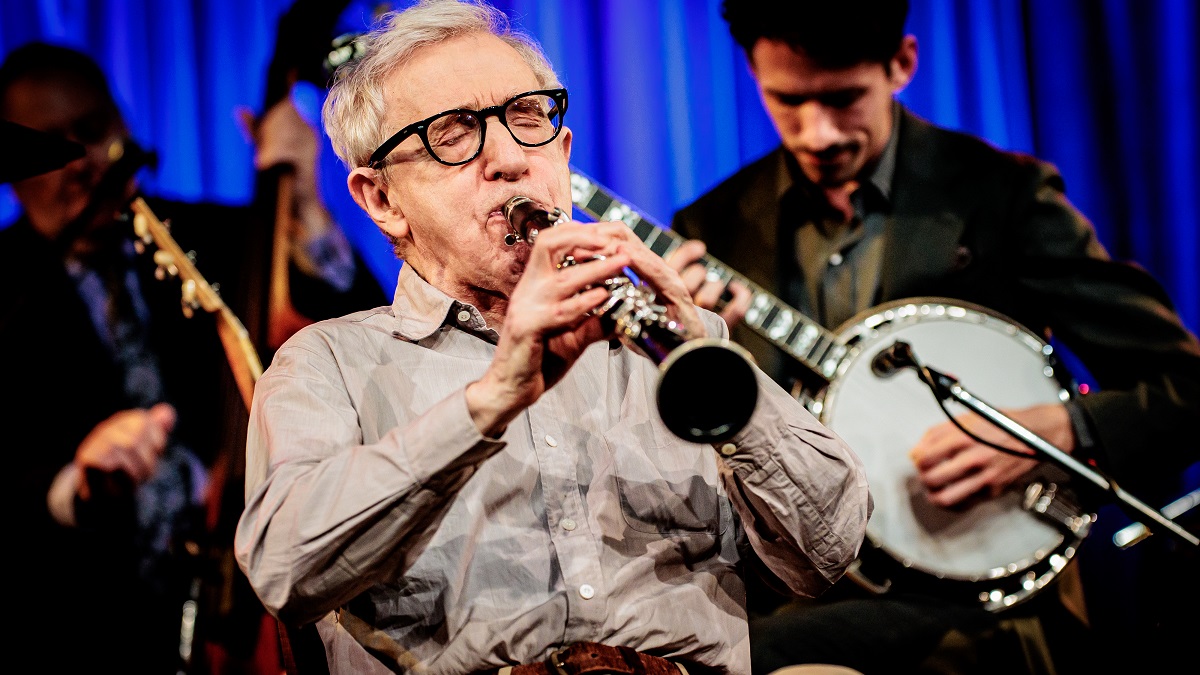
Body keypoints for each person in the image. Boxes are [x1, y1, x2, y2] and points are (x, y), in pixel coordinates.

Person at [232, 1, 872, 674]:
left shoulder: (670, 341)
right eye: (453, 134)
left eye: (528, 120)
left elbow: (828, 550)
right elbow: (284, 571)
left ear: (562, 156)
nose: (509, 159)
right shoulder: (327, 363)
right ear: (382, 200)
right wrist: (491, 400)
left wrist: (718, 376)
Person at [668, 1, 1200, 674]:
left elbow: (1186, 391)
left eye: (843, 99)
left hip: (981, 604)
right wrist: (692, 351)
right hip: (792, 592)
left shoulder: (1002, 196)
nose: (818, 132)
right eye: (787, 101)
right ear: (752, 71)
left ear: (902, 64)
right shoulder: (713, 225)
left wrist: (1051, 432)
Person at [0, 41, 385, 674]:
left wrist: (307, 212)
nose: (79, 164)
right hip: (87, 622)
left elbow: (365, 339)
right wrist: (74, 481)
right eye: (49, 146)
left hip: (252, 606)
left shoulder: (224, 237)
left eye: (92, 132)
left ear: (124, 125)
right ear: (14, 170)